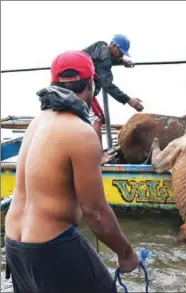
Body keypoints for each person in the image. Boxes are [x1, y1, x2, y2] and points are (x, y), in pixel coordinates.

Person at [5, 50, 139, 293]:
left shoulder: (37, 122)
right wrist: (126, 253)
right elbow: (96, 212)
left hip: (14, 245)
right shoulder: (80, 132)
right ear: (91, 84)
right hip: (50, 246)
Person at [83, 34, 144, 162]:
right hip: (80, 90)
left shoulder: (100, 47)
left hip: (83, 87)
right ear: (114, 46)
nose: (122, 55)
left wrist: (121, 61)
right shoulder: (104, 58)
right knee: (96, 121)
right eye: (121, 52)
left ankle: (89, 150)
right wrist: (128, 100)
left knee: (98, 117)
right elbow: (107, 84)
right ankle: (99, 156)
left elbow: (101, 60)